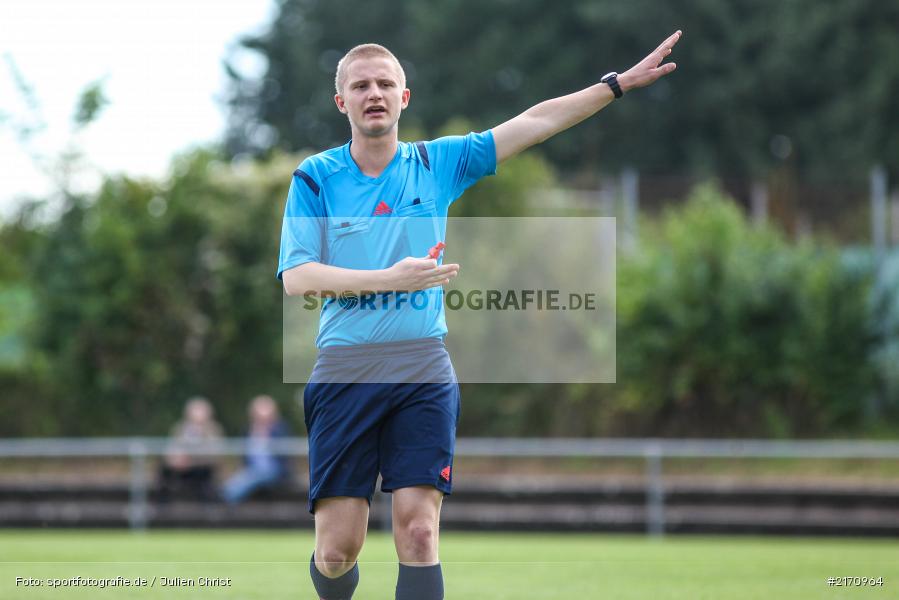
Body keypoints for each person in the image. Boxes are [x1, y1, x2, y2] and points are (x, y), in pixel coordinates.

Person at [277, 31, 682, 600]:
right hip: (345, 368)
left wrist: (614, 85)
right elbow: (298, 278)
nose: (375, 93)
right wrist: (390, 280)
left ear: (404, 98)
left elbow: (536, 122)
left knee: (418, 531)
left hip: (422, 366)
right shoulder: (315, 178)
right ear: (341, 102)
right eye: (361, 86)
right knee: (338, 551)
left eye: (385, 84)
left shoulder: (435, 163)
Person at [221, 394, 292, 504]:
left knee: (248, 479)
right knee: (246, 477)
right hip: (251, 470)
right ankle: (227, 497)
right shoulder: (247, 430)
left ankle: (228, 499)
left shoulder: (280, 430)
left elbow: (284, 456)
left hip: (275, 470)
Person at [157, 396, 223, 502]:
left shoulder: (213, 429)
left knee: (204, 475)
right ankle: (162, 502)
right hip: (181, 466)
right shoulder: (180, 427)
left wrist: (191, 460)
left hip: (202, 467)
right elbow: (172, 446)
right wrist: (174, 459)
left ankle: (206, 505)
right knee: (164, 470)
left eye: (200, 411)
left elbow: (214, 453)